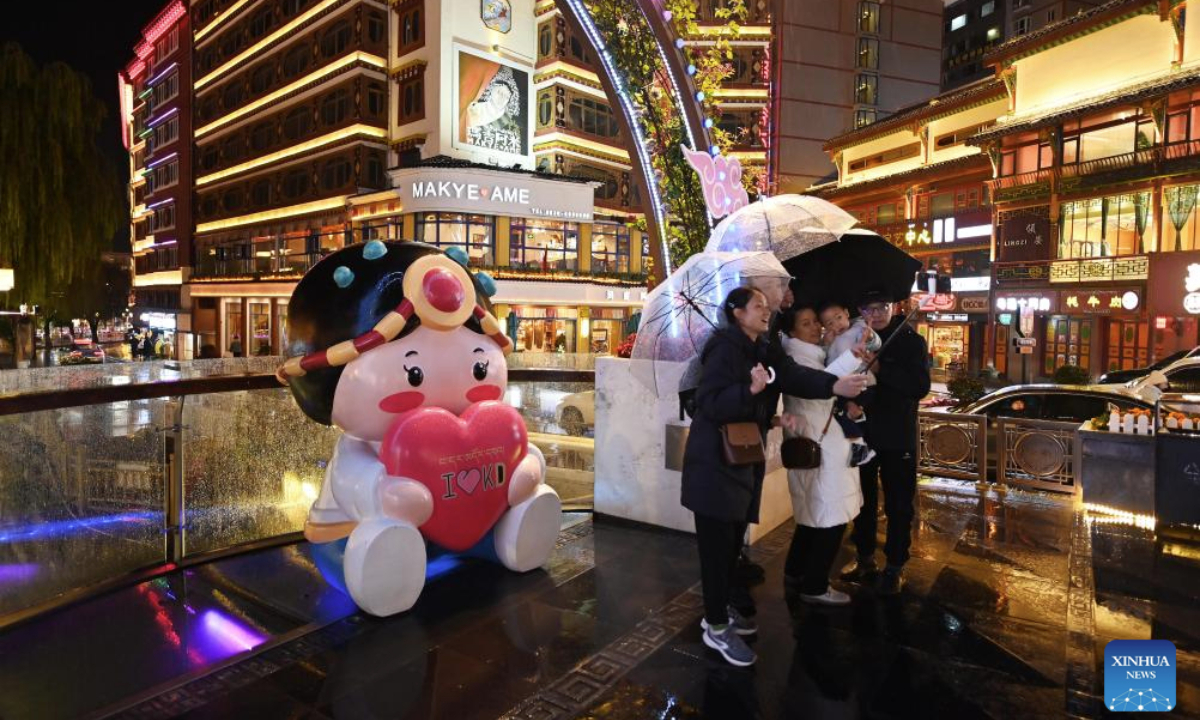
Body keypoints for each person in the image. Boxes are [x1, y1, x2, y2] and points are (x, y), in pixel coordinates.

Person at [682, 286, 870, 667]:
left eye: (769, 305)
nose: (768, 310)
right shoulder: (722, 346)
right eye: (758, 305)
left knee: (730, 548)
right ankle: (716, 626)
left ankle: (718, 611)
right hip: (714, 466)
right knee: (716, 553)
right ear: (736, 312)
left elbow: (794, 376)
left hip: (739, 461)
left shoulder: (762, 348)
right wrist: (747, 389)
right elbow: (709, 403)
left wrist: (781, 413)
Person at [841, 290, 931, 596]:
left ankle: (895, 564)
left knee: (899, 504)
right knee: (862, 500)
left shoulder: (910, 340)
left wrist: (882, 370)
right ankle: (864, 557)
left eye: (883, 308)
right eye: (869, 308)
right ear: (860, 310)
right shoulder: (855, 339)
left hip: (897, 436)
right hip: (864, 434)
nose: (877, 314)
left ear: (894, 307)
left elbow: (919, 387)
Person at [779, 305, 864, 606]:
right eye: (806, 324)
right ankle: (814, 585)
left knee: (812, 514)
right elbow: (818, 387)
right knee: (831, 517)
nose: (816, 327)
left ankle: (795, 571)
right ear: (792, 332)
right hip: (821, 445)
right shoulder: (798, 357)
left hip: (815, 442)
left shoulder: (810, 353)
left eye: (816, 321)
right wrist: (849, 360)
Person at [817, 301, 879, 467]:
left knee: (847, 413)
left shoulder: (858, 329)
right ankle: (861, 448)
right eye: (830, 323)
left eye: (839, 318)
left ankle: (862, 448)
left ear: (846, 313)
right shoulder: (832, 339)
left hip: (863, 383)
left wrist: (870, 335)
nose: (837, 324)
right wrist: (825, 344)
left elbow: (874, 344)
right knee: (846, 415)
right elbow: (825, 359)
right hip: (844, 385)